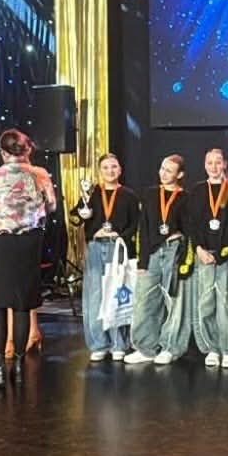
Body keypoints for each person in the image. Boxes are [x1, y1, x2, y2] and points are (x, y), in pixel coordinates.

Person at [0, 129, 56, 388]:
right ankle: (18, 367)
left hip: (0, 242)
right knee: (22, 304)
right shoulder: (40, 174)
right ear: (27, 149)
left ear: (2, 151)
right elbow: (51, 206)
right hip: (29, 242)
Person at [124, 155, 193, 365]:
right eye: (162, 168)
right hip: (152, 252)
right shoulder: (150, 194)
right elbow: (143, 227)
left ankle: (171, 347)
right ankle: (146, 348)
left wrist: (184, 256)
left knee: (174, 301)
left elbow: (190, 229)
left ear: (180, 174)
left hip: (174, 250)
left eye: (169, 170)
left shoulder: (186, 198)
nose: (163, 173)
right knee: (144, 300)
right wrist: (142, 261)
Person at [76, 153, 141, 362]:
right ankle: (98, 344)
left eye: (114, 167)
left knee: (118, 294)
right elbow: (76, 217)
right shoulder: (92, 193)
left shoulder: (129, 195)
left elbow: (136, 224)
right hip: (96, 246)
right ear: (100, 171)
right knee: (95, 295)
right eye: (105, 167)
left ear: (120, 170)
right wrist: (81, 213)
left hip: (118, 247)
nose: (110, 171)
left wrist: (120, 236)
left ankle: (119, 343)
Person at [188, 149, 228, 368]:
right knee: (205, 302)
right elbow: (192, 223)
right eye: (210, 163)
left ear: (225, 164)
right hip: (203, 254)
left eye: (218, 162)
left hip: (226, 255)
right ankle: (211, 348)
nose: (214, 167)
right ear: (204, 165)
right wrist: (198, 248)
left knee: (226, 303)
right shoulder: (198, 190)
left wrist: (225, 252)